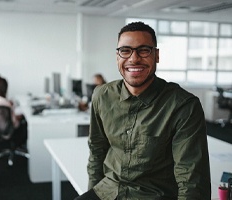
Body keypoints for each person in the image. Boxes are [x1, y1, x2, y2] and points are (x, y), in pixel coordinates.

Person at [75, 22, 211, 200]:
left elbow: (191, 177)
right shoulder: (102, 95)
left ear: (156, 55)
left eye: (144, 50)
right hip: (109, 190)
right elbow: (97, 149)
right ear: (117, 56)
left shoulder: (183, 105)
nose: (134, 58)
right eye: (125, 50)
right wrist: (93, 192)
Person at [0, 77, 27, 146]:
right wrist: (20, 116)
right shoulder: (4, 103)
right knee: (25, 121)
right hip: (10, 130)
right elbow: (13, 120)